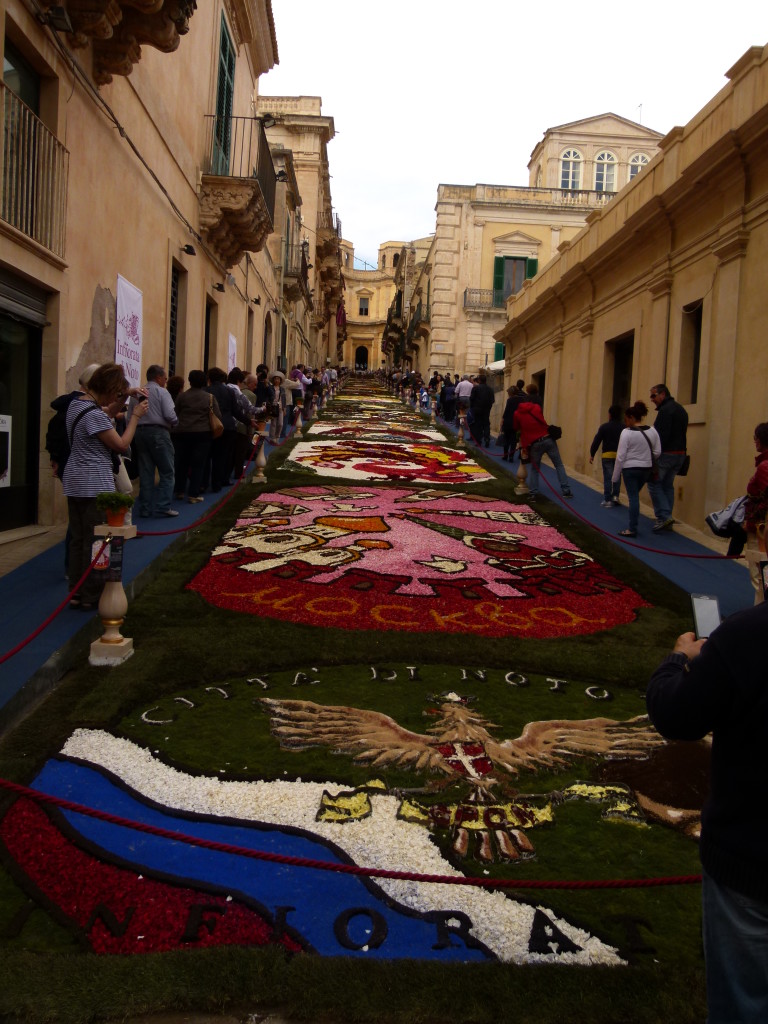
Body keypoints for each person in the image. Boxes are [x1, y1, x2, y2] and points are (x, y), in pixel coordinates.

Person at [646, 605, 768, 1023]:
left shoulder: (748, 634)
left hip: (751, 857)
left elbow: (677, 715)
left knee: (744, 1002)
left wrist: (677, 660)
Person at [62, 363, 148, 609]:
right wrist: (135, 418)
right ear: (108, 389)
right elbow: (120, 444)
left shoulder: (77, 406)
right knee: (97, 541)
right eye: (115, 393)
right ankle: (90, 595)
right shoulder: (94, 415)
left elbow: (107, 411)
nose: (115, 398)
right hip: (94, 483)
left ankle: (76, 591)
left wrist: (126, 396)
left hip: (75, 481)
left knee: (78, 540)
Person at [131, 365, 179, 518]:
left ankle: (145, 508)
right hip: (158, 432)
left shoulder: (137, 393)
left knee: (146, 471)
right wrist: (176, 422)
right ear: (158, 378)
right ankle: (163, 505)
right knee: (167, 470)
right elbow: (170, 415)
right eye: (165, 378)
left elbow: (130, 417)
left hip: (139, 431)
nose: (165, 381)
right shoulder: (161, 392)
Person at [611, 400, 660, 537]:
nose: (626, 422)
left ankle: (632, 528)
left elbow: (620, 457)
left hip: (630, 469)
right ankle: (633, 524)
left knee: (633, 498)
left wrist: (615, 477)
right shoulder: (652, 431)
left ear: (632, 418)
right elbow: (657, 451)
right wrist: (646, 459)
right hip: (646, 469)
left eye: (626, 419)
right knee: (634, 496)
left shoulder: (627, 433)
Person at [173, 370, 221, 503]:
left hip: (182, 433)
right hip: (202, 434)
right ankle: (193, 493)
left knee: (182, 463)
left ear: (190, 381)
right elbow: (218, 415)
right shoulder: (209, 397)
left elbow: (175, 412)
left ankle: (180, 490)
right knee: (198, 464)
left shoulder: (181, 397)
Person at [513, 395, 573, 499]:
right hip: (548, 439)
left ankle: (533, 493)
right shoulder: (536, 407)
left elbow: (516, 427)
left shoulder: (517, 414)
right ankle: (566, 490)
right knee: (559, 465)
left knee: (535, 469)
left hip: (535, 443)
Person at [648, 384, 688, 532]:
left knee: (654, 483)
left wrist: (653, 455)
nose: (652, 400)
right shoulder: (681, 410)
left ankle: (664, 516)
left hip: (667, 454)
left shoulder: (665, 411)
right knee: (667, 485)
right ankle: (667, 516)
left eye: (653, 396)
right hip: (680, 454)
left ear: (662, 394)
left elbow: (660, 436)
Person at [741, 422, 768, 603]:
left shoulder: (765, 466)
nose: (754, 442)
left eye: (756, 438)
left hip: (761, 528)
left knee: (759, 573)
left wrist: (751, 519)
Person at [589, 405, 624, 506]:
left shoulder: (604, 427)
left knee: (608, 477)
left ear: (610, 415)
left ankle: (607, 499)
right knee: (617, 476)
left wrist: (592, 454)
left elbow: (597, 441)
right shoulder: (623, 428)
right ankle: (615, 496)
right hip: (618, 455)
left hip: (607, 455)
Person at [499, 382, 526, 461]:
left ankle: (505, 455)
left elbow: (507, 411)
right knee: (513, 439)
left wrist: (502, 420)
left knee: (506, 439)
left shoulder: (510, 400)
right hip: (516, 421)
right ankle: (511, 456)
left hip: (508, 421)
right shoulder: (522, 400)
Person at [469, 373, 495, 447]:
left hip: (477, 409)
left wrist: (473, 407)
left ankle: (478, 441)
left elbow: (471, 399)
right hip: (486, 409)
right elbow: (492, 400)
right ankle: (487, 439)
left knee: (478, 425)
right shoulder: (490, 389)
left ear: (479, 380)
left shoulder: (475, 388)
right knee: (486, 424)